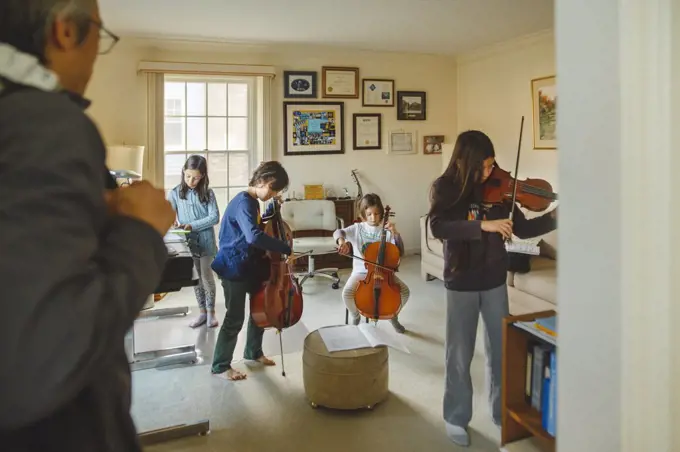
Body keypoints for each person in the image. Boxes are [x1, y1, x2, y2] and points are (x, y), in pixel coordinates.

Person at [0, 1, 176, 451]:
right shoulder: (44, 123)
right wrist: (139, 230)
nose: (99, 50)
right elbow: (45, 356)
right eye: (100, 32)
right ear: (64, 32)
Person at [428, 130, 557, 447]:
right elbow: (438, 227)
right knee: (459, 354)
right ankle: (456, 416)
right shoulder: (445, 189)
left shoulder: (500, 190)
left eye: (492, 165)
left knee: (500, 351)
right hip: (462, 280)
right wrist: (482, 225)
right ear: (465, 162)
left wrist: (556, 216)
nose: (490, 173)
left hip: (495, 278)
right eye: (483, 167)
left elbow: (525, 227)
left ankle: (501, 412)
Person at [210, 161, 301, 381]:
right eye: (272, 189)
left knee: (259, 309)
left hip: (250, 265)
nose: (272, 194)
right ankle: (221, 365)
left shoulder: (253, 202)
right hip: (234, 267)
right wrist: (285, 248)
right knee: (234, 317)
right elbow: (253, 236)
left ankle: (253, 352)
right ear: (261, 181)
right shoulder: (244, 202)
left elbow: (256, 227)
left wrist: (271, 211)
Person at [334, 193, 410, 333]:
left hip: (384, 273)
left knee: (405, 292)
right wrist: (342, 241)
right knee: (347, 294)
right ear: (363, 214)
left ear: (382, 214)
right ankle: (356, 315)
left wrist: (396, 234)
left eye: (376, 214)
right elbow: (338, 232)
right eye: (369, 214)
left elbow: (400, 252)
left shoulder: (386, 232)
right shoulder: (357, 228)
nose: (373, 218)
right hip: (361, 273)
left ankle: (393, 315)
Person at [168, 155, 220, 328]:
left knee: (206, 277)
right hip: (188, 244)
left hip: (206, 243)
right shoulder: (175, 192)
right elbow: (168, 214)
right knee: (196, 279)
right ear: (183, 172)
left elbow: (214, 218)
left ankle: (212, 313)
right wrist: (173, 221)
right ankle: (202, 313)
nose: (191, 180)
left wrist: (192, 225)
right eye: (188, 176)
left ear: (203, 176)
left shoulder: (208, 193)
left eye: (196, 177)